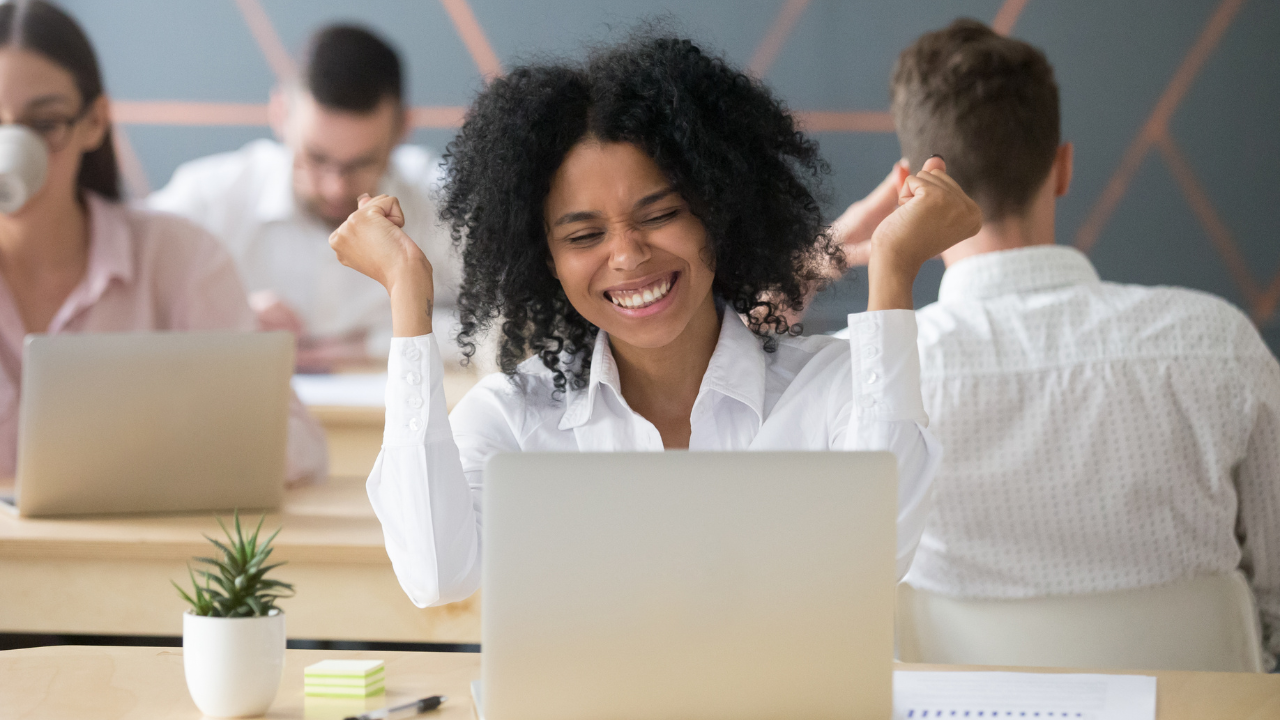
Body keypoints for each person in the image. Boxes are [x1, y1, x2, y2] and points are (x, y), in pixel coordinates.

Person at [326, 35, 982, 607]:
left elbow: (878, 548)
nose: (628, 255)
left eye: (659, 214)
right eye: (583, 235)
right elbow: (436, 575)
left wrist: (894, 271)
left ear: (714, 211)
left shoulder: (828, 388)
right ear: (547, 259)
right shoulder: (518, 419)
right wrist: (407, 297)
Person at [835, 19, 1280, 669]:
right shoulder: (1217, 345)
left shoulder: (870, 384)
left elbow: (836, 608)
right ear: (1063, 167)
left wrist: (822, 252)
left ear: (908, 188)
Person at [0, 0, 326, 484]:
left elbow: (296, 445)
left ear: (95, 121)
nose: (12, 150)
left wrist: (167, 437)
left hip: (141, 554)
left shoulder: (182, 261)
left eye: (44, 125)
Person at [149, 25, 456, 371]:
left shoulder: (444, 204)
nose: (335, 188)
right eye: (316, 158)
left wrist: (381, 340)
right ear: (280, 115)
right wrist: (224, 317)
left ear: (403, 129)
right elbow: (119, 301)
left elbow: (515, 321)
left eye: (362, 164)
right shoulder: (209, 197)